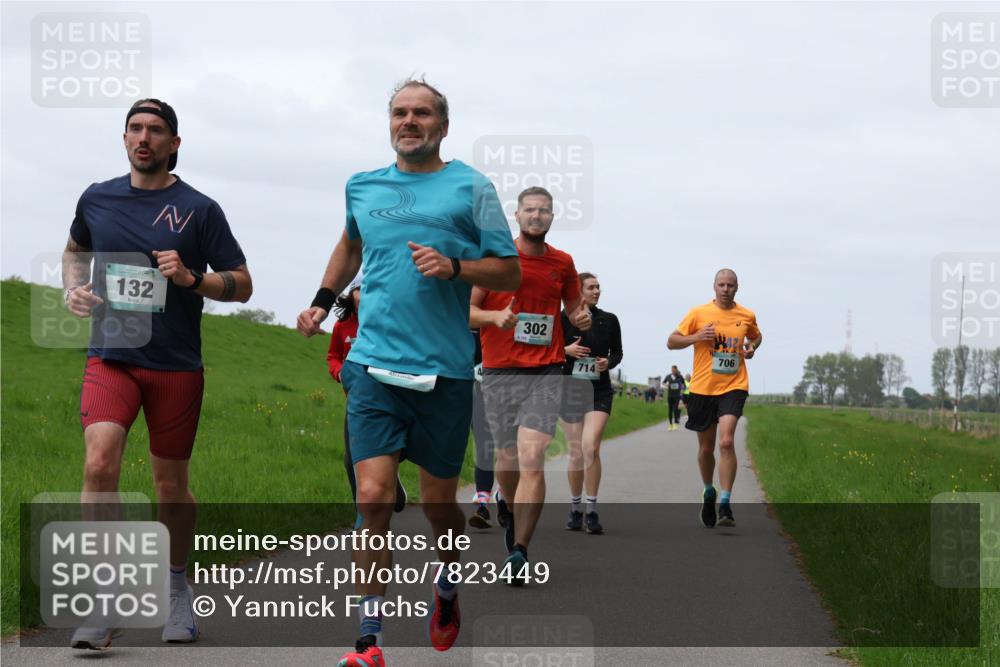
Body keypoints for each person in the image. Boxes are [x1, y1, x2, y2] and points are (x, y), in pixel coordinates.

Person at [296, 78, 520, 667]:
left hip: (443, 373)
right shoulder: (363, 186)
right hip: (371, 366)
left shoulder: (472, 187)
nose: (410, 121)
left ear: (443, 126)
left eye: (422, 113)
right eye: (400, 112)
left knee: (439, 506)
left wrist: (455, 267)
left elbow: (508, 273)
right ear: (389, 122)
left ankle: (446, 588)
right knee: (372, 498)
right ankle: (368, 639)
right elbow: (349, 246)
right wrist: (323, 299)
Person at [62, 98, 253, 649]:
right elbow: (76, 250)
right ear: (124, 138)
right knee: (99, 463)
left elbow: (242, 284)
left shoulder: (200, 209)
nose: (144, 138)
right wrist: (74, 287)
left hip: (174, 366)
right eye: (135, 128)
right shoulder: (96, 197)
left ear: (174, 144)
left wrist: (193, 280)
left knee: (171, 488)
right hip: (110, 356)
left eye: (156, 131)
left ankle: (175, 590)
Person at [472, 186, 591, 583]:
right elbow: (466, 312)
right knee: (506, 458)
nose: (536, 216)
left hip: (545, 370)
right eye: (529, 210)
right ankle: (508, 506)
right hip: (500, 369)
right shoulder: (495, 258)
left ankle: (520, 549)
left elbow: (573, 307)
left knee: (533, 456)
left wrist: (581, 316)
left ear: (552, 217)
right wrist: (493, 319)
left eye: (543, 211)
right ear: (517, 216)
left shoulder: (563, 262)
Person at [667, 269, 762, 528]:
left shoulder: (746, 315)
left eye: (730, 285)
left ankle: (726, 502)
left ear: (737, 288)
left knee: (727, 442)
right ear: (714, 287)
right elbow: (671, 341)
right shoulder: (698, 314)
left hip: (734, 385)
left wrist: (752, 347)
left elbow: (756, 335)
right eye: (721, 284)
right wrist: (697, 337)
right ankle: (708, 490)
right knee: (706, 448)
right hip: (702, 389)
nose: (726, 289)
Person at [326, 279, 407, 514]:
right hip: (356, 400)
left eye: (368, 289)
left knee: (393, 449)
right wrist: (339, 372)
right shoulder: (342, 326)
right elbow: (332, 355)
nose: (363, 295)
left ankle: (391, 480)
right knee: (352, 460)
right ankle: (362, 517)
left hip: (388, 395)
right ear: (351, 295)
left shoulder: (387, 323)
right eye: (358, 290)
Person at [560, 272, 622, 534]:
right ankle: (575, 509)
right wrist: (566, 350)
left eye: (599, 287)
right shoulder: (562, 318)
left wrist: (609, 362)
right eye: (591, 287)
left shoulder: (609, 320)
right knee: (575, 451)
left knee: (591, 446)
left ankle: (592, 510)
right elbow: (545, 350)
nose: (597, 291)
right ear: (579, 291)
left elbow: (617, 351)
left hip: (599, 390)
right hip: (570, 390)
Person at [468, 329, 498, 529]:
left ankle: (505, 496)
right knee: (484, 446)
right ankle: (482, 505)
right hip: (479, 390)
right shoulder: (466, 323)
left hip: (512, 387)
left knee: (510, 449)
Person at [664, 365, 686, 431]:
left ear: (676, 370)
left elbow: (684, 384)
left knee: (676, 409)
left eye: (674, 370)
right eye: (672, 370)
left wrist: (682, 389)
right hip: (670, 395)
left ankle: (675, 423)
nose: (673, 371)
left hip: (677, 395)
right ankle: (670, 424)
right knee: (670, 410)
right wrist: (666, 385)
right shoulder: (668, 376)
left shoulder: (679, 376)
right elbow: (663, 382)